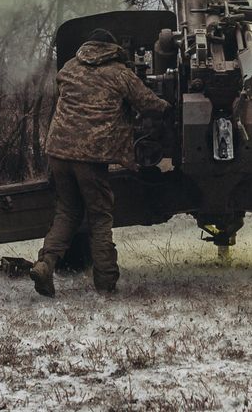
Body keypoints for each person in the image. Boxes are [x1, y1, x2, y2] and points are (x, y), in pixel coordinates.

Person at [30, 28, 169, 297]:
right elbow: (147, 103)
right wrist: (168, 107)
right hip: (90, 158)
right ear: (112, 49)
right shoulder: (119, 73)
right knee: (99, 216)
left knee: (67, 212)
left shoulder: (70, 66)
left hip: (58, 151)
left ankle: (45, 264)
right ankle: (106, 282)